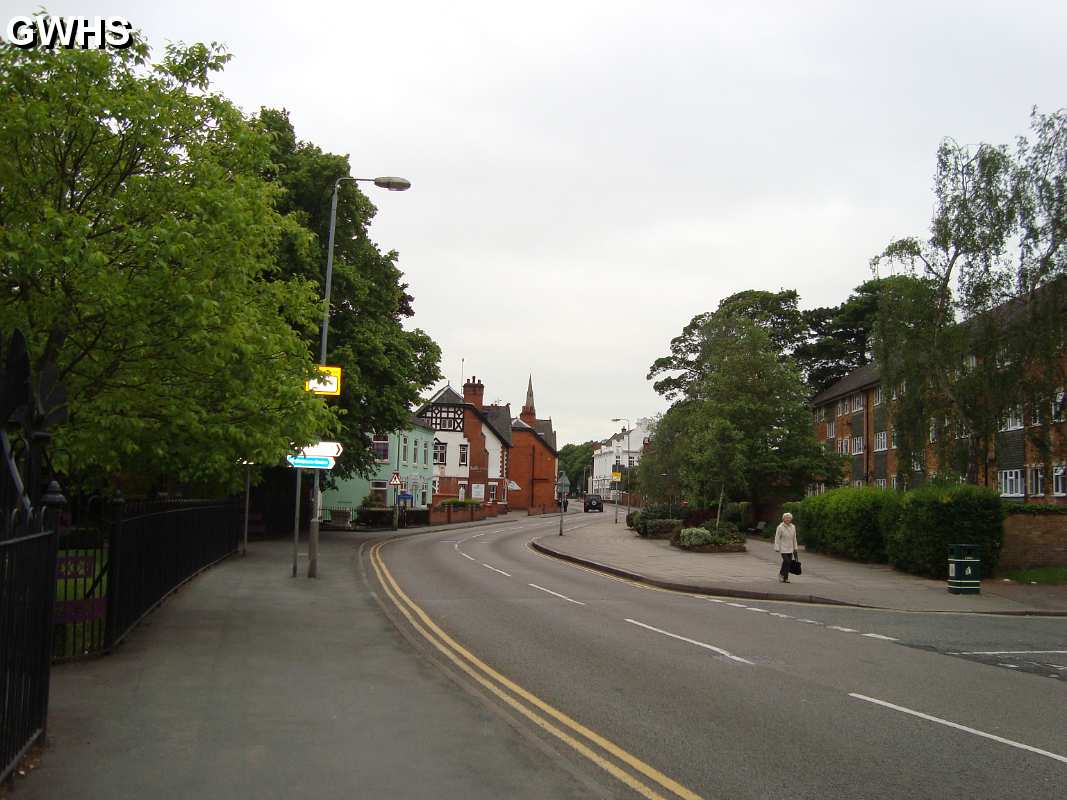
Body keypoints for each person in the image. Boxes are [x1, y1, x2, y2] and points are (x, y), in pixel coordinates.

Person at [774, 512, 799, 583]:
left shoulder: (793, 526)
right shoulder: (780, 527)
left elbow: (794, 538)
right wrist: (777, 547)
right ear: (783, 519)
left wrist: (795, 548)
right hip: (783, 548)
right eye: (786, 518)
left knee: (788, 563)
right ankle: (781, 574)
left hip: (790, 548)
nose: (788, 519)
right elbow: (777, 538)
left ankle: (786, 578)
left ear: (791, 519)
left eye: (789, 518)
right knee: (787, 561)